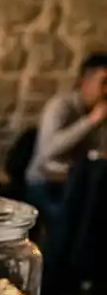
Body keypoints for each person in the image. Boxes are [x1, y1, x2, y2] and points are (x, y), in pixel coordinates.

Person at [25, 52, 107, 222]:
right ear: (85, 82)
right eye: (104, 83)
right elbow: (48, 151)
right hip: (45, 182)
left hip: (78, 183)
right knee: (73, 219)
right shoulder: (60, 106)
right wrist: (90, 121)